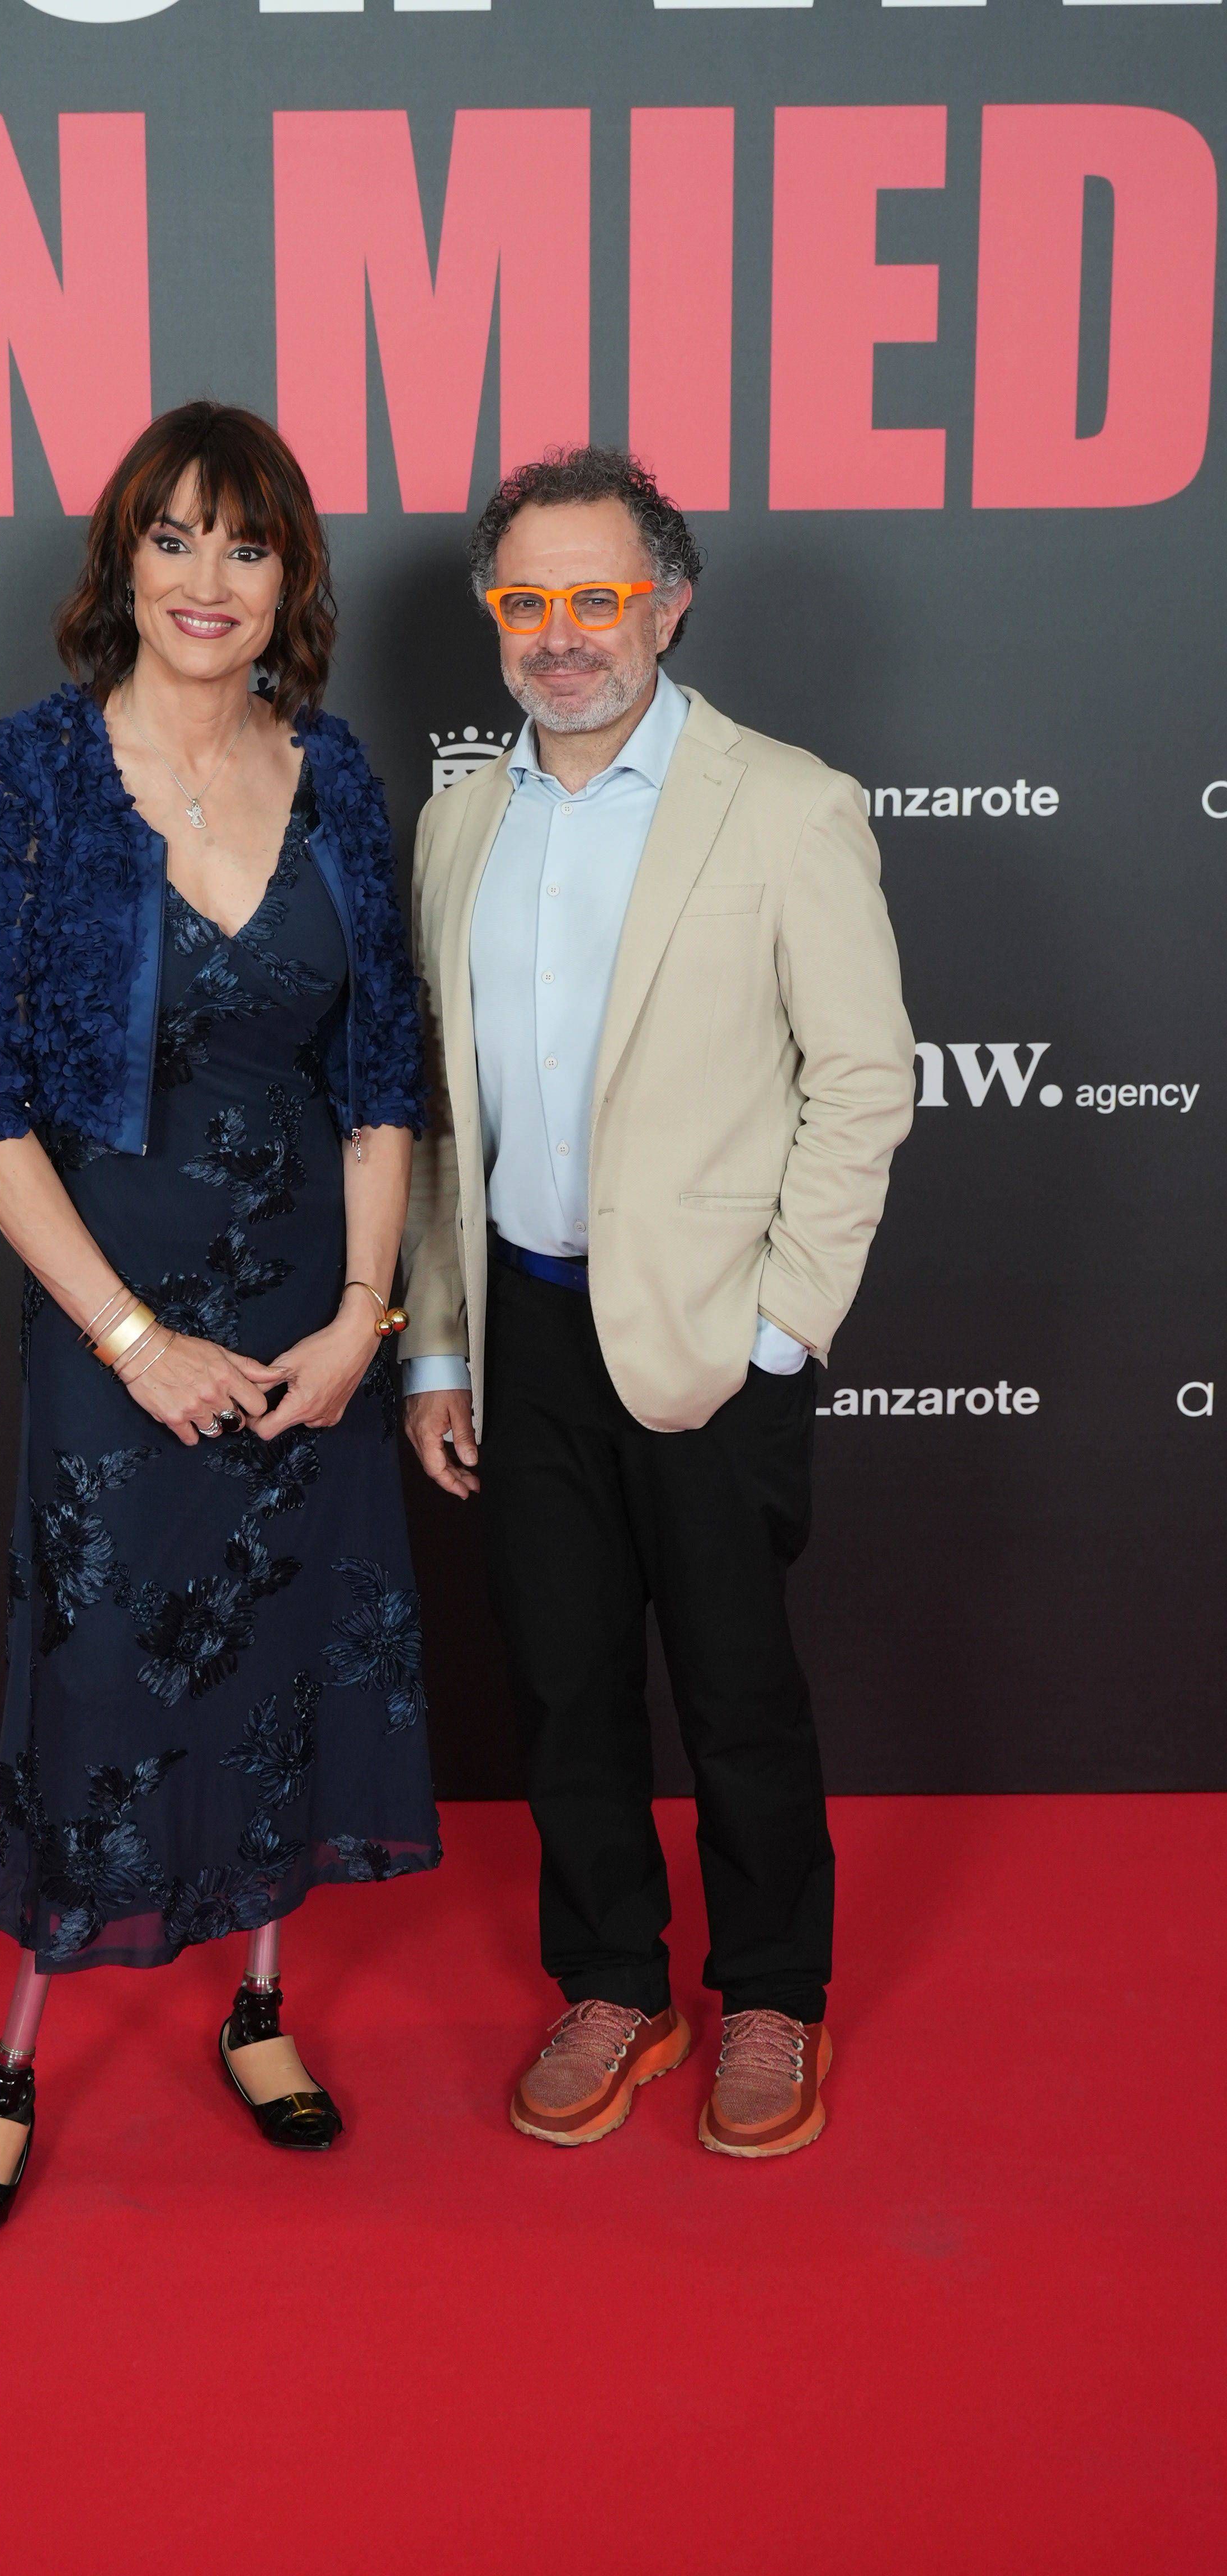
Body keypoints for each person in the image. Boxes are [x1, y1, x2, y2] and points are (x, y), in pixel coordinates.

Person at [0, 401, 440, 2233]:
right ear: (120, 561)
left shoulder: (344, 777)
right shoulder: (25, 782)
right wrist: (136, 1342)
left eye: (246, 544)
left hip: (311, 1313)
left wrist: (364, 1314)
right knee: (101, 1671)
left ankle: (263, 2003)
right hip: (112, 1314)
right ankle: (21, 2048)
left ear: (290, 577)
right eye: (175, 538)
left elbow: (384, 1074)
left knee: (289, 1649)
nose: (207, 580)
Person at [402, 448, 913, 2158]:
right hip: (525, 1324)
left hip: (711, 1331)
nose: (563, 634)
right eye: (528, 599)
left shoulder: (785, 804)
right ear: (497, 619)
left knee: (739, 1685)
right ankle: (616, 1974)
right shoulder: (460, 816)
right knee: (561, 1682)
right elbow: (437, 1109)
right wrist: (444, 1338)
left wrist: (781, 1333)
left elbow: (862, 1084)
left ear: (669, 607)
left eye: (598, 597)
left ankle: (772, 1993)